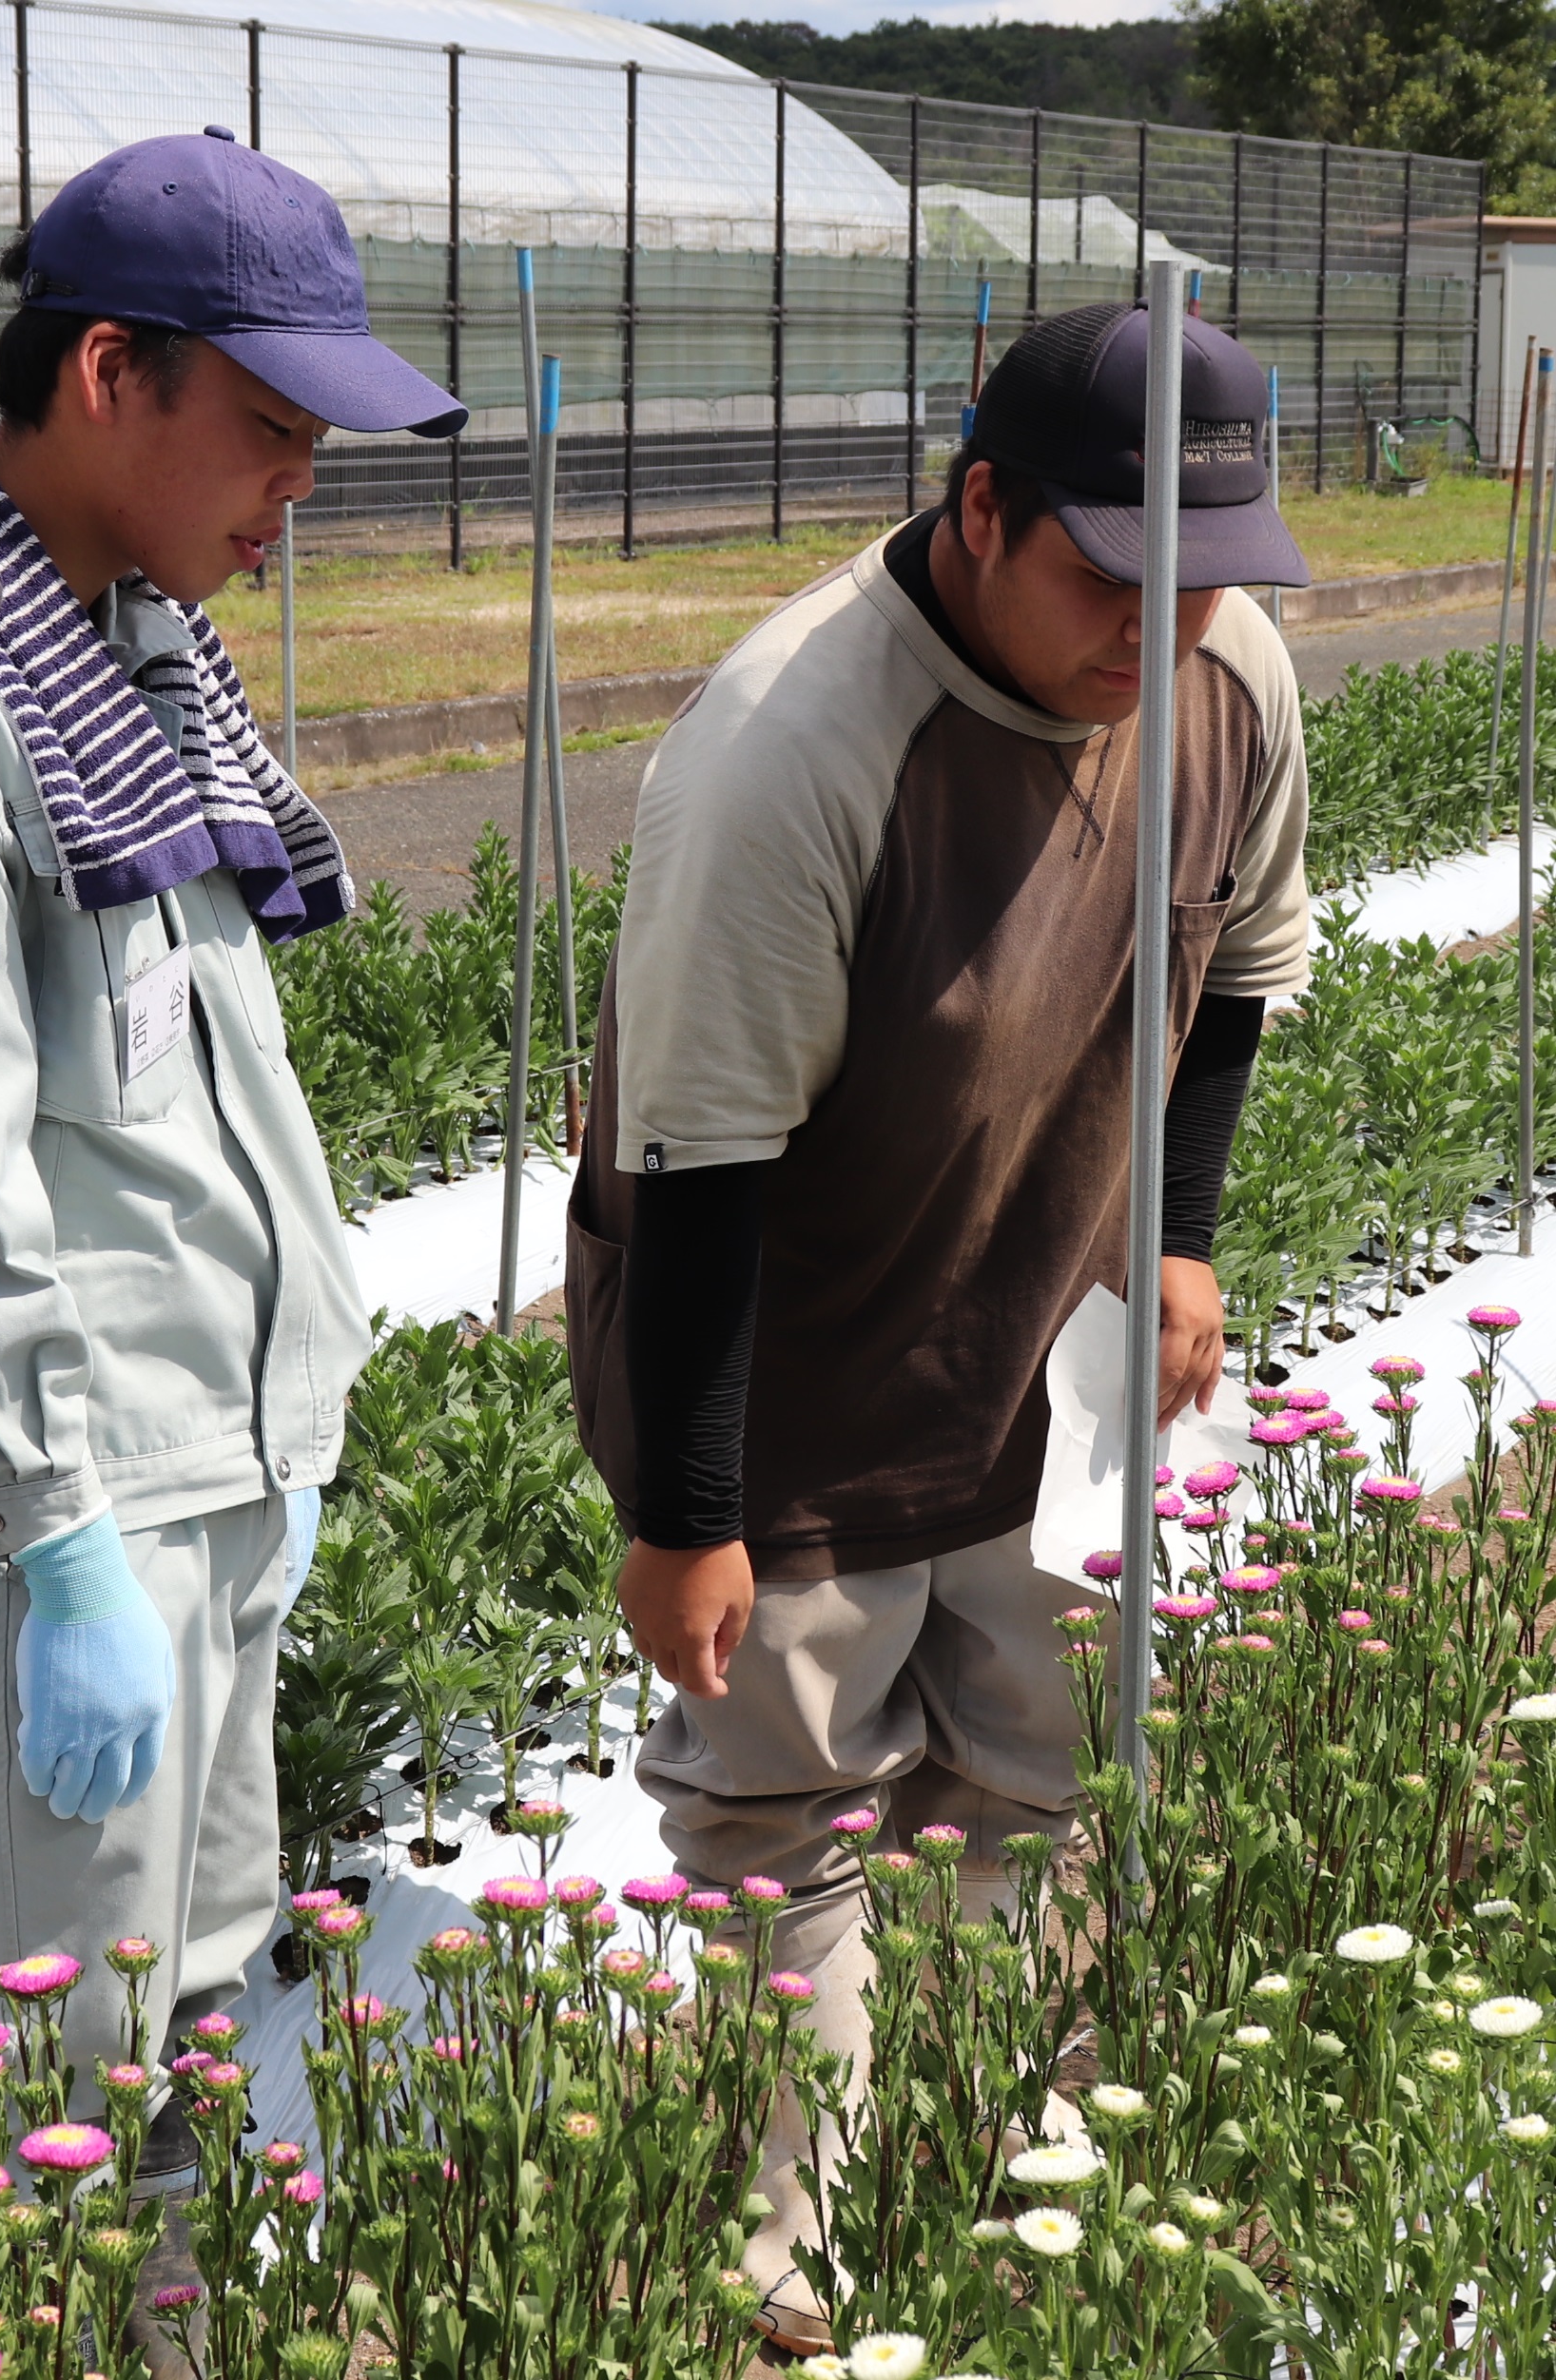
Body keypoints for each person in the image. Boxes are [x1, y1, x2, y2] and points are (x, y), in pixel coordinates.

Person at [566, 301, 1313, 2345]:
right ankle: (786, 2268)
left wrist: (1176, 1239)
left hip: (1044, 1325)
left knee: (1038, 1773)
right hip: (790, 1352)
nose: (1158, 629)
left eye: (1205, 579)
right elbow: (698, 1162)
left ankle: (995, 2174)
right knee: (785, 1809)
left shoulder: (1219, 672)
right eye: (1109, 573)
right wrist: (688, 1504)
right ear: (978, 508)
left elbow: (1235, 964)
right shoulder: (792, 745)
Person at [0, 127, 464, 2146]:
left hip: (197, 1475)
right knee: (30, 2088)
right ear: (102, 375)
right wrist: (62, 1538)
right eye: (265, 423)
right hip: (48, 1527)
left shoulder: (128, 655)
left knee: (187, 2016)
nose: (297, 485)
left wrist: (277, 1425)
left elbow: (201, 1082)